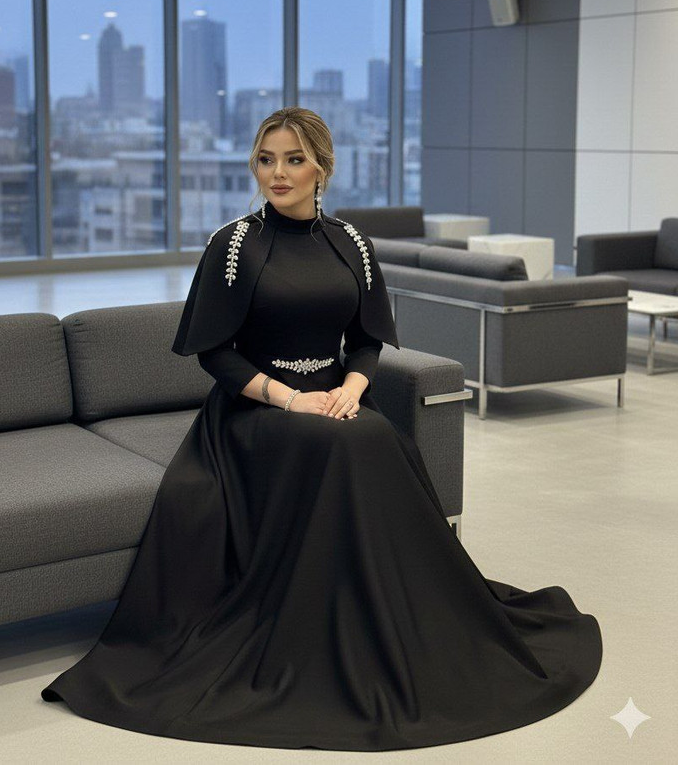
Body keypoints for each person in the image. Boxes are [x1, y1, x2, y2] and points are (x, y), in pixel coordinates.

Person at [41, 107, 602, 751]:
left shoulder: (351, 243)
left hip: (336, 399)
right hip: (253, 414)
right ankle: (327, 630)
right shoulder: (233, 245)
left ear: (323, 169)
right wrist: (289, 400)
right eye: (266, 160)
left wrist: (351, 389)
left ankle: (393, 618)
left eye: (294, 160)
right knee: (349, 444)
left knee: (376, 435)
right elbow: (214, 354)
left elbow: (366, 340)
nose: (277, 174)